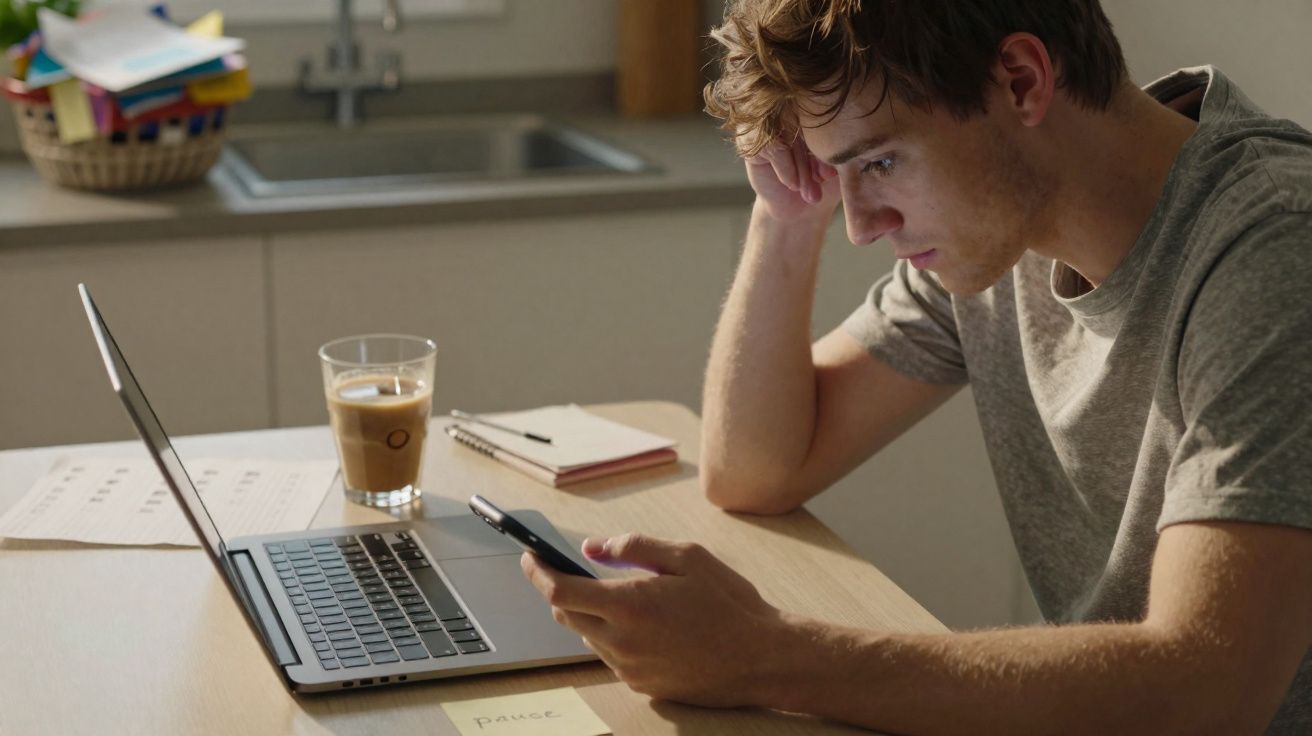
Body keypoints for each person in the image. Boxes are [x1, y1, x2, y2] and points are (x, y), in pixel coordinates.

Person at [520, 1, 1312, 732]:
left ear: (1021, 81)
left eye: (880, 164)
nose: (861, 227)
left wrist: (766, 658)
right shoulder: (1009, 229)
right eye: (839, 173)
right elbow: (758, 469)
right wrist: (788, 217)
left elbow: (1209, 690)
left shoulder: (1275, 250)